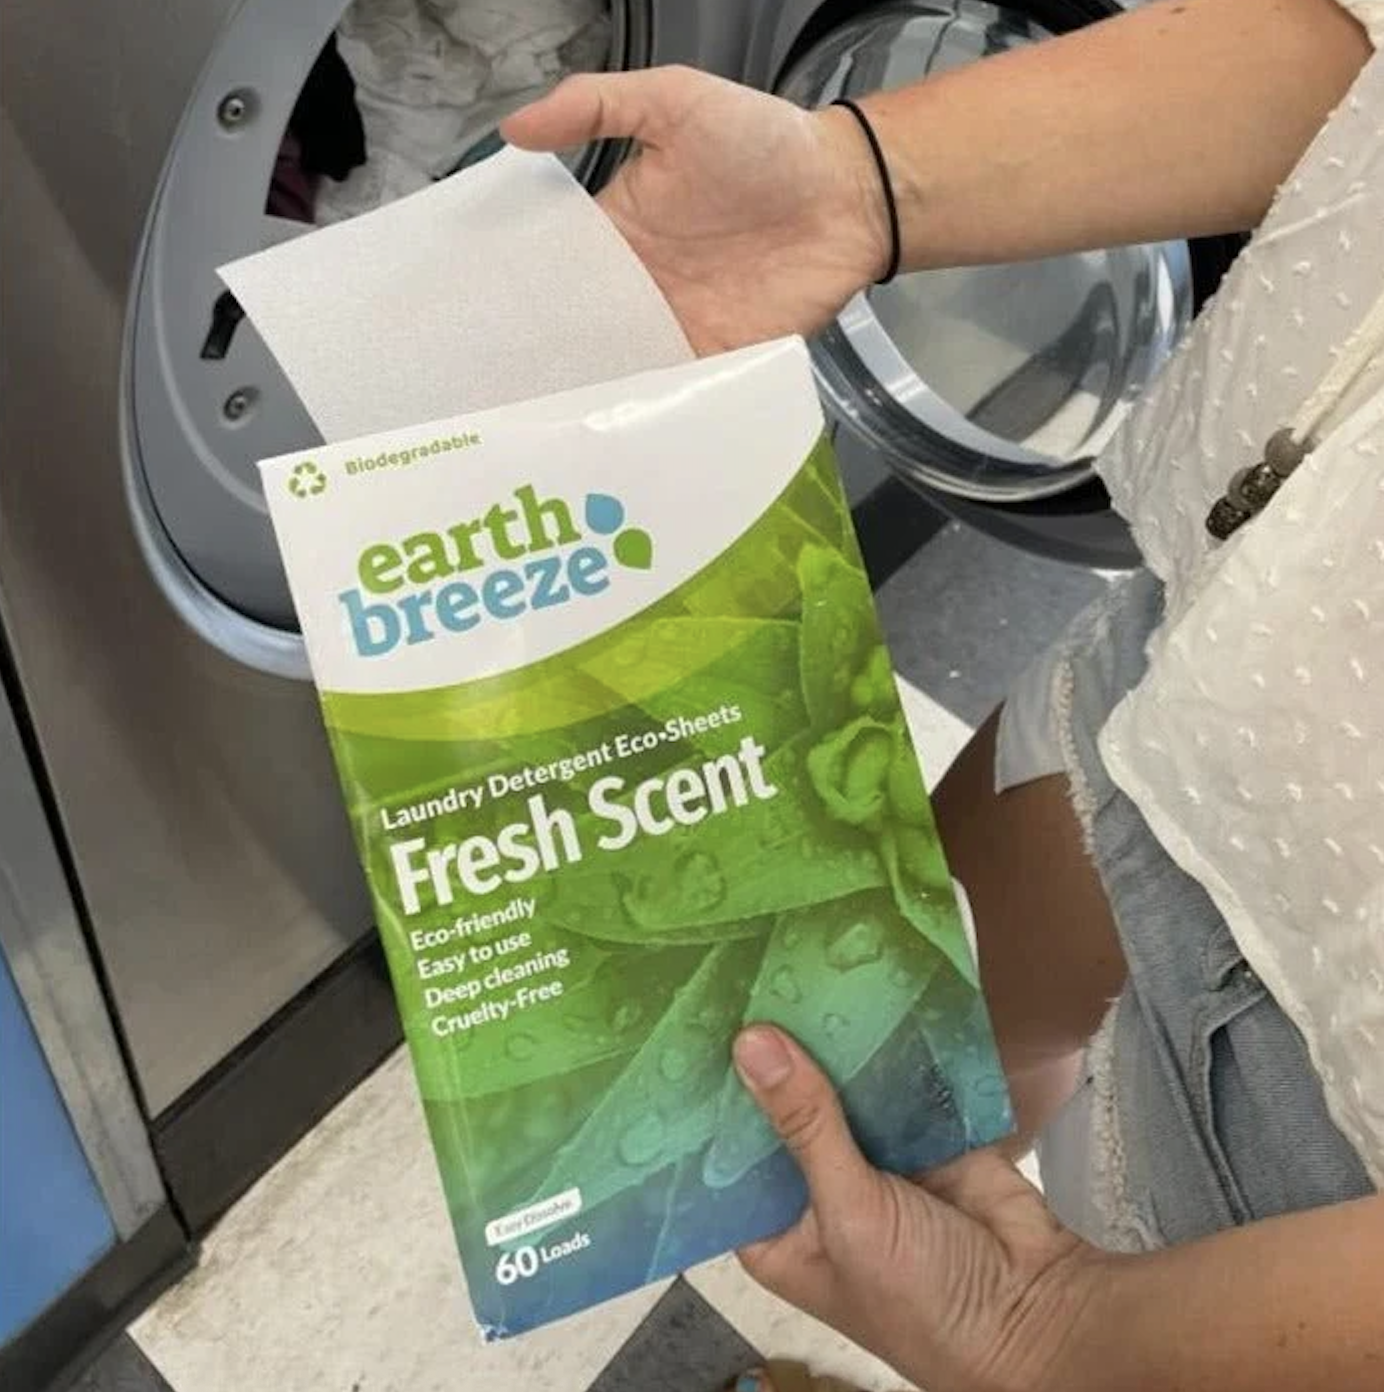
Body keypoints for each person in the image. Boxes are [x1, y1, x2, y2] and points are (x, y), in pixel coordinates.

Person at [502, 0, 1384, 1386]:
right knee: (889, 1058)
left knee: (987, 1262)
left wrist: (1041, 1341)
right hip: (1225, 643)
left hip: (1325, 1167)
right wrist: (852, 181)